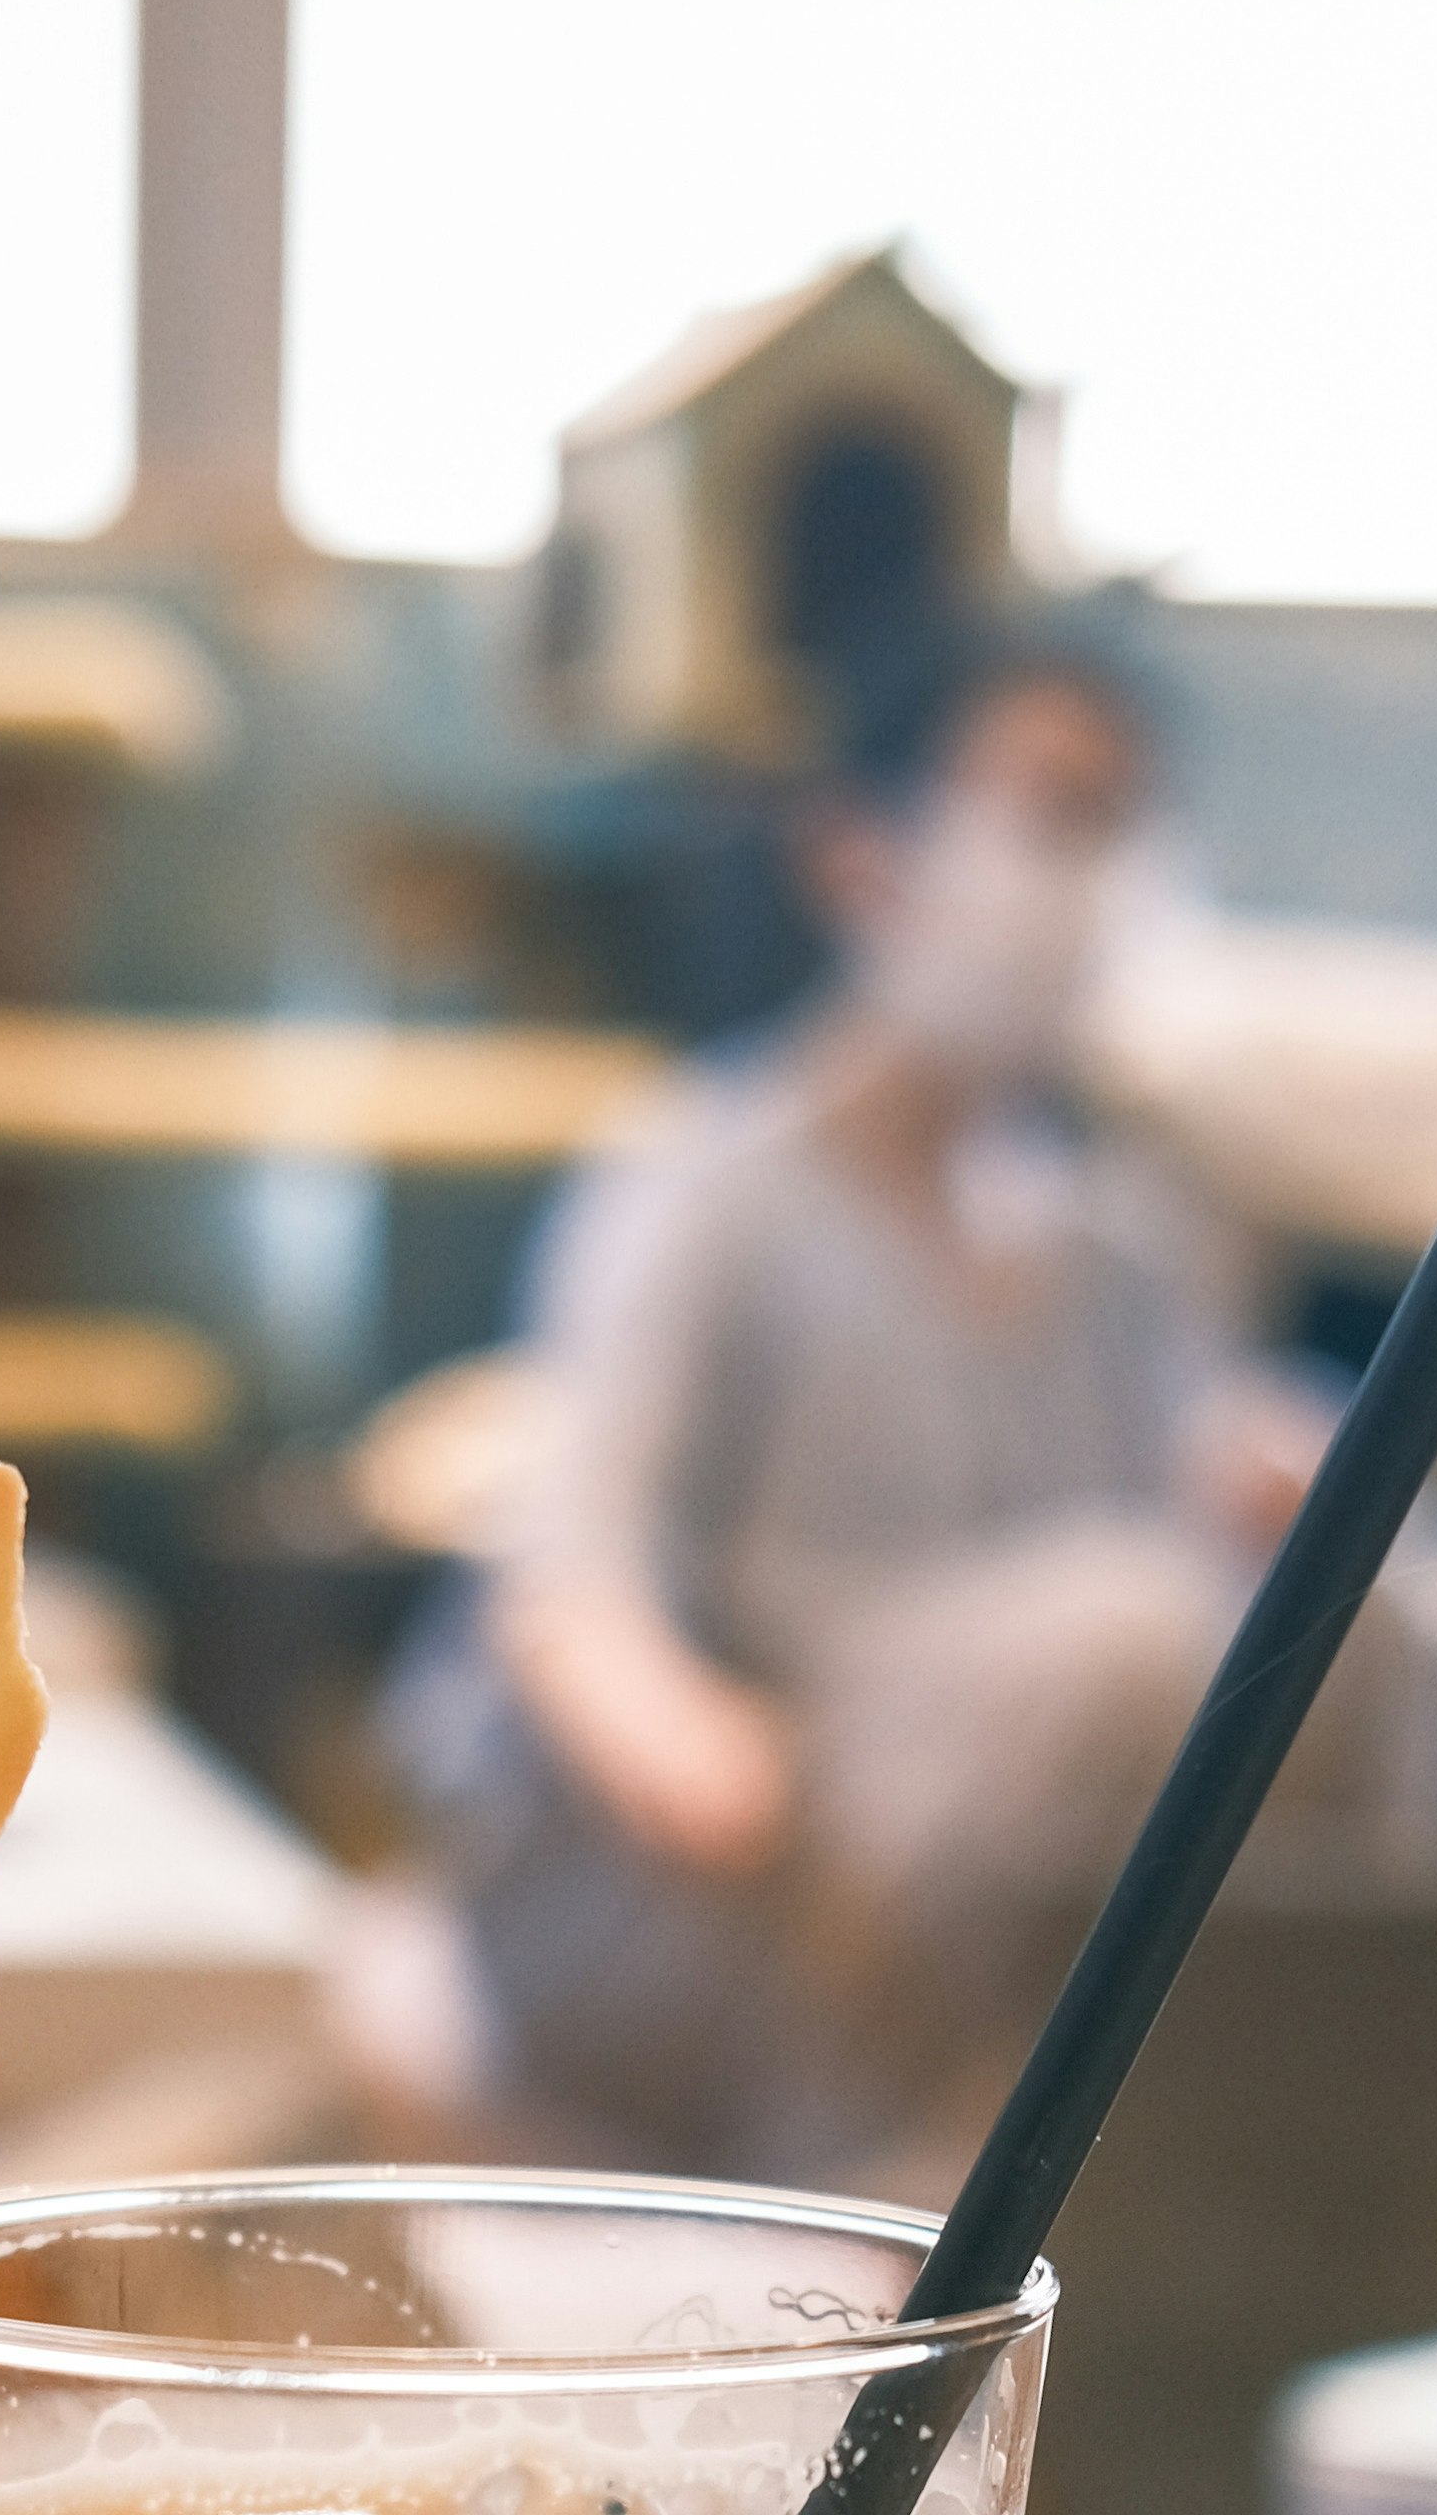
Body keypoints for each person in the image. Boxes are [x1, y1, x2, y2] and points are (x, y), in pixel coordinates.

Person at [380, 608, 1383, 2188]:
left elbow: (1214, 1475)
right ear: (864, 859)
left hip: (961, 1824)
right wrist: (673, 1735)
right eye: (1049, 815)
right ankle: (876, 2231)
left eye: (1120, 827)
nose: (1089, 877)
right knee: (1120, 1635)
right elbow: (571, 1565)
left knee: (1364, 1605)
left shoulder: (1119, 1236)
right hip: (704, 1852)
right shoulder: (709, 1179)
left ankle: (1266, 2179)